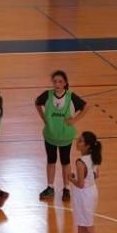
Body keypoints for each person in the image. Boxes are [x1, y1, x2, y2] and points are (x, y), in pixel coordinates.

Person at [61, 131, 113, 233]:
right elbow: (96, 175)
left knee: (88, 226)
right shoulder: (94, 158)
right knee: (82, 224)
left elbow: (80, 184)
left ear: (87, 146)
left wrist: (70, 177)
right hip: (92, 192)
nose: (77, 142)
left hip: (83, 195)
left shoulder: (80, 162)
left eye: (81, 141)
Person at [36, 70, 88, 202]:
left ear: (65, 83)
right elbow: (37, 102)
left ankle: (66, 188)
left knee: (65, 162)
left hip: (65, 136)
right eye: (55, 82)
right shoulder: (47, 95)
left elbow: (86, 107)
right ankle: (50, 187)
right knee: (51, 161)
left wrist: (74, 120)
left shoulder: (71, 97)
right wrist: (43, 118)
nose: (57, 84)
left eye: (60, 81)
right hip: (50, 135)